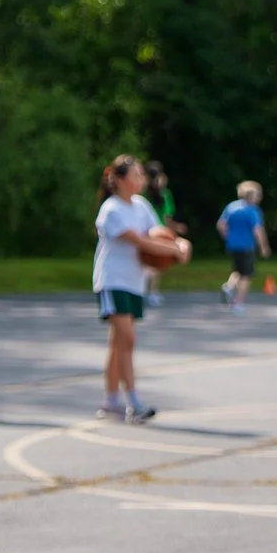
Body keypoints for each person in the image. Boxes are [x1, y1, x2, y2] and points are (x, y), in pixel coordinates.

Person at [93, 155, 158, 422]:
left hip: (134, 282)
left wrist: (180, 244)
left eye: (142, 175)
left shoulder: (141, 206)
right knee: (127, 340)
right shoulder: (111, 209)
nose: (140, 179)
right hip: (113, 282)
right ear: (119, 180)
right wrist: (176, 250)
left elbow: (157, 233)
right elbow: (140, 241)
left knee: (118, 342)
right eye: (135, 175)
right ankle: (133, 403)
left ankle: (110, 402)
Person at [217, 181, 270, 311]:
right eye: (258, 195)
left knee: (238, 269)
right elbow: (258, 230)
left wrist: (228, 237)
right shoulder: (252, 210)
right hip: (246, 246)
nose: (259, 198)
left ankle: (228, 287)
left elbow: (221, 225)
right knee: (246, 275)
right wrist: (264, 246)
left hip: (232, 246)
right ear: (251, 196)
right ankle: (238, 302)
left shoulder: (231, 207)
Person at [142, 160, 178, 310]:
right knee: (155, 265)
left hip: (143, 231)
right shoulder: (164, 194)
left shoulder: (141, 194)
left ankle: (143, 290)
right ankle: (152, 293)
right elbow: (167, 218)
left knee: (144, 263)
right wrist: (174, 230)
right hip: (159, 232)